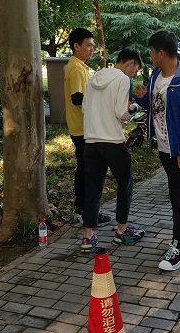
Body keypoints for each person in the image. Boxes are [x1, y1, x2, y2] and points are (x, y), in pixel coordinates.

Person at [134, 31, 180, 270]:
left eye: (152, 52)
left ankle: (179, 247)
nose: (150, 56)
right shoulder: (156, 75)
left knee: (178, 196)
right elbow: (157, 105)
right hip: (163, 146)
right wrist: (144, 99)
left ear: (161, 53)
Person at [79, 49, 146, 251]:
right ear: (130, 63)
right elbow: (121, 112)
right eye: (136, 69)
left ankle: (88, 236)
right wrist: (136, 107)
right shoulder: (123, 79)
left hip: (91, 141)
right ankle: (121, 230)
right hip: (112, 142)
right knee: (125, 184)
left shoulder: (95, 77)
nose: (134, 74)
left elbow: (84, 107)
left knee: (92, 188)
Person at [64, 28, 112, 226]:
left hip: (82, 127)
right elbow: (77, 98)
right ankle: (86, 212)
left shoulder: (79, 66)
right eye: (89, 45)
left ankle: (83, 209)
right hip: (82, 128)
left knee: (85, 168)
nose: (92, 49)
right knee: (89, 170)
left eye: (93, 46)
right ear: (76, 46)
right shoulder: (76, 68)